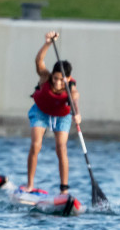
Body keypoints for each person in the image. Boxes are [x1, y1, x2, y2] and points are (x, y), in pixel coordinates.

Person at [25, 32, 81, 194]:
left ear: (68, 78)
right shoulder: (45, 78)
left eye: (60, 79)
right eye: (55, 78)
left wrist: (77, 113)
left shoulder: (71, 88)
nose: (56, 82)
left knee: (61, 148)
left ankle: (64, 190)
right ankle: (30, 185)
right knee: (36, 145)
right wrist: (48, 43)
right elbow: (38, 61)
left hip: (61, 115)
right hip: (41, 112)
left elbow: (75, 98)